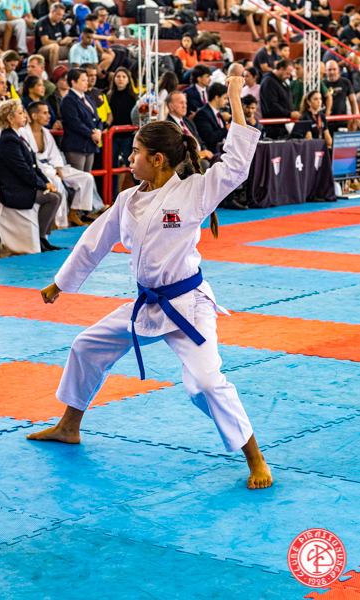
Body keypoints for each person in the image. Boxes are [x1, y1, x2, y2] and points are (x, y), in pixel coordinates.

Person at [27, 76, 273, 492]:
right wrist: (60, 283)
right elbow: (95, 240)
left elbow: (235, 164)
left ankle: (254, 456)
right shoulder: (129, 199)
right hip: (147, 304)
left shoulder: (194, 192)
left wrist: (234, 97)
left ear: (158, 159)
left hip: (187, 305)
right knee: (86, 346)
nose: (129, 158)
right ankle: (69, 426)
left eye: (136, 152)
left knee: (205, 383)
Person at [0, 99, 61, 252]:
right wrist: (43, 185)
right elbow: (23, 171)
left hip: (22, 185)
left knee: (57, 195)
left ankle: (43, 237)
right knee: (52, 198)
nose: (25, 116)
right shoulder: (8, 140)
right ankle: (40, 239)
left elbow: (34, 166)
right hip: (15, 189)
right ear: (10, 118)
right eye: (20, 113)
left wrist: (46, 182)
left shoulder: (17, 137)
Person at [22, 101, 99, 227]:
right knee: (56, 182)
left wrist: (57, 166)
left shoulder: (46, 132)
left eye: (48, 112)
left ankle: (73, 213)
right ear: (34, 116)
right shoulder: (24, 133)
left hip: (53, 166)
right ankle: (55, 221)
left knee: (87, 178)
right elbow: (29, 159)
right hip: (40, 170)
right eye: (45, 113)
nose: (49, 116)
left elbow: (55, 154)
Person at [61, 68, 102, 173]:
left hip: (90, 144)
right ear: (73, 82)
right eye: (83, 80)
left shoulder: (89, 99)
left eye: (87, 80)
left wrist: (99, 131)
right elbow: (74, 122)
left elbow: (97, 119)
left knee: (88, 177)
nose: (87, 83)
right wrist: (92, 134)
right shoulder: (68, 100)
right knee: (78, 178)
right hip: (76, 145)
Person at [107, 67, 137, 200]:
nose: (120, 79)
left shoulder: (133, 97)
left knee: (133, 166)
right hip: (112, 137)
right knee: (111, 167)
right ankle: (112, 197)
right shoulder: (109, 96)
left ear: (128, 80)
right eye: (118, 76)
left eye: (124, 77)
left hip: (128, 136)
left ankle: (140, 192)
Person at [166, 91, 213, 171]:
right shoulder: (168, 126)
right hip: (186, 164)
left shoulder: (188, 122)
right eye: (181, 103)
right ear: (171, 106)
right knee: (205, 165)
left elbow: (200, 141)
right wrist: (197, 155)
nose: (185, 106)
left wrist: (205, 151)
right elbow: (177, 153)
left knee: (220, 161)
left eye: (185, 103)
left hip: (202, 158)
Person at [260, 58, 300, 139]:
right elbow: (272, 106)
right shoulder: (269, 82)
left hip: (283, 126)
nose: (288, 76)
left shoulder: (281, 82)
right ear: (281, 69)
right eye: (287, 73)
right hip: (274, 128)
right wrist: (289, 114)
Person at [35, 2, 76, 75]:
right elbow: (44, 42)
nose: (60, 17)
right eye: (58, 14)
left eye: (62, 15)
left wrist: (69, 41)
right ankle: (54, 75)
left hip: (59, 48)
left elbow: (64, 38)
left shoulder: (60, 23)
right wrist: (60, 42)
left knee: (75, 46)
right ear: (52, 12)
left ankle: (74, 73)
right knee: (54, 47)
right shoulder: (43, 22)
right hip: (42, 50)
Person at [325, 60, 358, 135]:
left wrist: (355, 118)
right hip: (327, 120)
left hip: (342, 119)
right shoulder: (322, 84)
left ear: (338, 70)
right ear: (325, 71)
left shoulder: (345, 82)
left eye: (334, 69)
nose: (332, 72)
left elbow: (353, 101)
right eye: (330, 70)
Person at [193, 82, 228, 153]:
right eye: (225, 98)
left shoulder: (218, 112)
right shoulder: (202, 115)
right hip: (214, 152)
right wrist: (227, 128)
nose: (227, 101)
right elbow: (210, 138)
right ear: (217, 98)